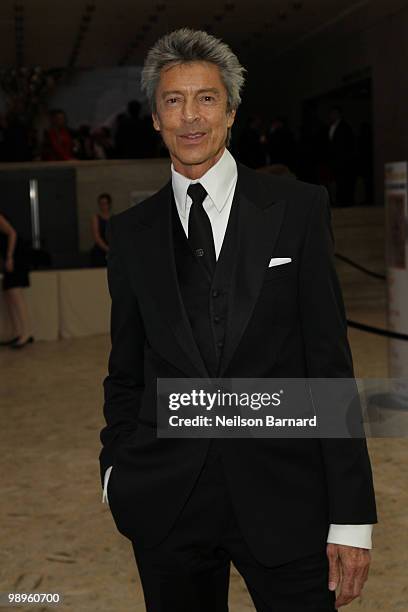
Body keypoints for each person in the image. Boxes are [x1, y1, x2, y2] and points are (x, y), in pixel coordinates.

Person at [99, 28, 377, 611]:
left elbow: (329, 366)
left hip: (288, 498)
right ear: (154, 117)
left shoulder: (298, 210)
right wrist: (115, 470)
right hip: (167, 503)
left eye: (206, 98)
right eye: (173, 100)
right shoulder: (130, 236)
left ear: (230, 111)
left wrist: (351, 517)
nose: (190, 116)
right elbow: (125, 369)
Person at [0, 212, 34, 348]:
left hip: (15, 258)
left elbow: (12, 233)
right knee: (9, 294)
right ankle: (18, 333)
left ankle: (26, 334)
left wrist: (9, 257)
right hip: (10, 259)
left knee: (15, 294)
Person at [90, 193, 111, 267]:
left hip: (112, 248)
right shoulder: (96, 218)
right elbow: (97, 237)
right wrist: (107, 249)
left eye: (105, 203)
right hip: (100, 250)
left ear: (109, 204)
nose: (103, 206)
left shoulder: (113, 218)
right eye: (101, 204)